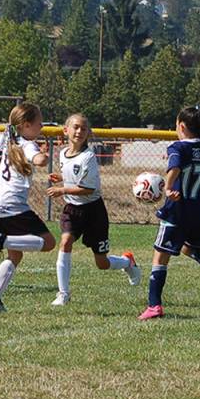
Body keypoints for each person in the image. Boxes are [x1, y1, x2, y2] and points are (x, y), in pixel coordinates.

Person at [139, 105, 200, 320]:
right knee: (192, 249)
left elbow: (174, 168)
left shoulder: (177, 147)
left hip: (176, 210)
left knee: (160, 256)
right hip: (195, 210)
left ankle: (154, 305)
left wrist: (169, 187)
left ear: (180, 126)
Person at [46, 113, 142, 306]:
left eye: (83, 128)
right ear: (66, 130)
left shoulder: (88, 157)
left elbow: (88, 189)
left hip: (93, 212)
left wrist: (63, 188)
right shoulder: (63, 153)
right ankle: (63, 294)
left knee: (102, 263)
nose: (79, 131)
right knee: (65, 242)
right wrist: (62, 179)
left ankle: (127, 262)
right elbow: (75, 177)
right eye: (75, 127)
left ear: (88, 132)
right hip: (72, 209)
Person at [0, 103, 57, 313]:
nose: (41, 127)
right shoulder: (27, 144)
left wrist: (5, 134)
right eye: (39, 123)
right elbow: (39, 160)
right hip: (12, 205)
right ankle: (0, 240)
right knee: (49, 242)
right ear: (25, 125)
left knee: (15, 255)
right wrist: (45, 155)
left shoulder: (7, 139)